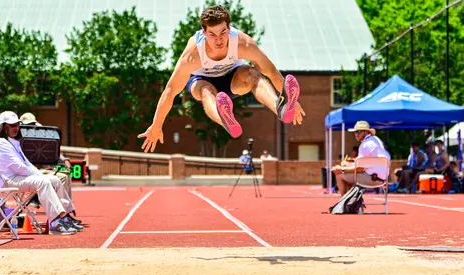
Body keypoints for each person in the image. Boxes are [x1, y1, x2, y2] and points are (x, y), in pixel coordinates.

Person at [138, 5, 305, 153]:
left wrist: (289, 98)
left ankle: (280, 108)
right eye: (212, 34)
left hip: (233, 78)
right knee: (205, 89)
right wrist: (156, 125)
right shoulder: (192, 55)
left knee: (253, 74)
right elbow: (170, 91)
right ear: (203, 32)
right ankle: (225, 119)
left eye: (223, 33)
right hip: (202, 79)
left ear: (229, 28)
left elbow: (270, 70)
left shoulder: (243, 43)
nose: (218, 40)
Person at [0, 111, 83, 235]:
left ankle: (64, 216)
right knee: (42, 182)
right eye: (12, 125)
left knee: (55, 180)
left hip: (17, 177)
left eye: (17, 124)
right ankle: (55, 222)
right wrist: (39, 175)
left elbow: (26, 164)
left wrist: (39, 173)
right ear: (3, 128)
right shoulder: (1, 143)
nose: (16, 128)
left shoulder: (12, 142)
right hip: (8, 180)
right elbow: (18, 167)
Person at [19, 112, 74, 200]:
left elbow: (54, 150)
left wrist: (65, 160)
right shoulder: (17, 139)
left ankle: (66, 206)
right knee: (62, 177)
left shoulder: (41, 134)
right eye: (28, 125)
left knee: (66, 175)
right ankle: (62, 206)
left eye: (33, 124)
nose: (31, 127)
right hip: (29, 172)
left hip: (43, 170)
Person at [332, 121, 390, 196]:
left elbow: (359, 169)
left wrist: (341, 169)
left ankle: (344, 204)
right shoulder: (376, 140)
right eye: (355, 132)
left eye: (359, 131)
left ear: (366, 132)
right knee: (348, 174)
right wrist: (349, 165)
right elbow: (367, 163)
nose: (356, 134)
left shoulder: (365, 145)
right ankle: (350, 203)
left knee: (339, 174)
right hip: (383, 179)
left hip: (371, 179)